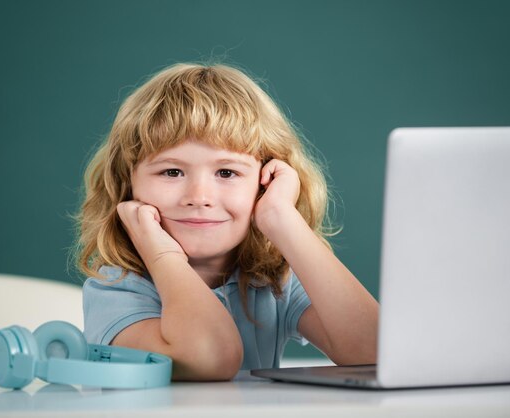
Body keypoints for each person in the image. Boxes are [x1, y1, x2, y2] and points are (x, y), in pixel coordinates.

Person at [76, 63, 379, 381]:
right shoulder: (117, 291)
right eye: (172, 172)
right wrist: (163, 255)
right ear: (128, 184)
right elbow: (209, 356)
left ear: (265, 183)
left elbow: (377, 354)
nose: (199, 196)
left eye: (226, 172)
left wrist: (281, 218)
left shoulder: (271, 282)